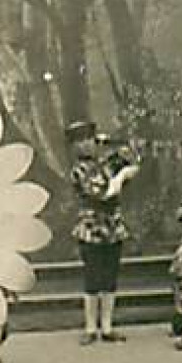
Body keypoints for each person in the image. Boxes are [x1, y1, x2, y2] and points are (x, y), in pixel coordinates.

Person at [68, 120, 140, 346]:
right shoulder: (79, 170)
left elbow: (136, 158)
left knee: (110, 275)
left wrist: (114, 145)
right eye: (79, 141)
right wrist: (120, 177)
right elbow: (103, 193)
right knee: (92, 276)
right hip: (91, 226)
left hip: (112, 226)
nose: (85, 145)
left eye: (89, 139)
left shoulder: (108, 162)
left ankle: (107, 326)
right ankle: (90, 327)